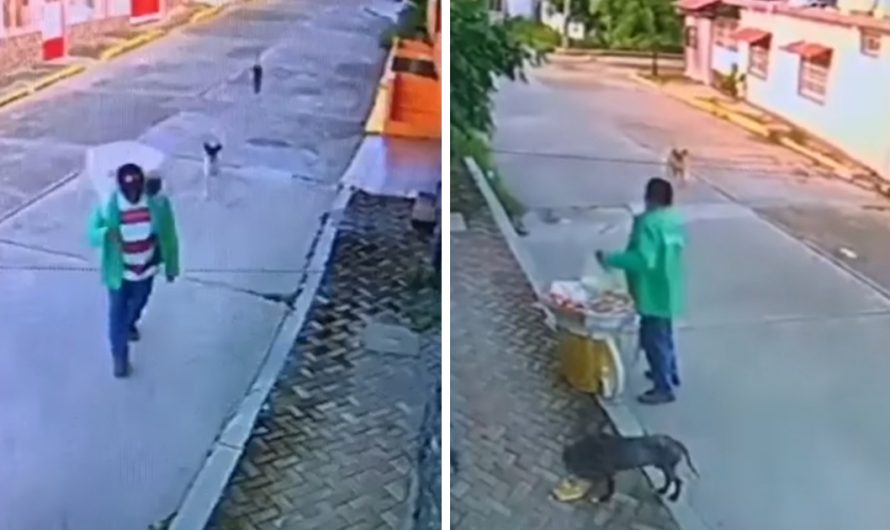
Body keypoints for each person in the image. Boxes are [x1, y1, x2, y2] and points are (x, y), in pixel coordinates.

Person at [597, 177, 686, 405]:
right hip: (669, 286)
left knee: (652, 339)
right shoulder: (674, 219)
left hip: (651, 289)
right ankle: (670, 372)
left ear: (649, 198)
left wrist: (611, 258)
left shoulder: (648, 224)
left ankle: (662, 387)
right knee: (664, 334)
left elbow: (643, 260)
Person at [87, 164, 180, 378]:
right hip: (119, 273)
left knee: (140, 302)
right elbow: (90, 233)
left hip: (146, 269)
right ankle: (119, 357)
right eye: (127, 188)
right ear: (120, 185)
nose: (132, 193)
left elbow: (169, 236)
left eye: (136, 186)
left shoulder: (158, 203)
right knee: (116, 315)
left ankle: (131, 322)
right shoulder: (108, 205)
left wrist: (172, 265)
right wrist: (104, 234)